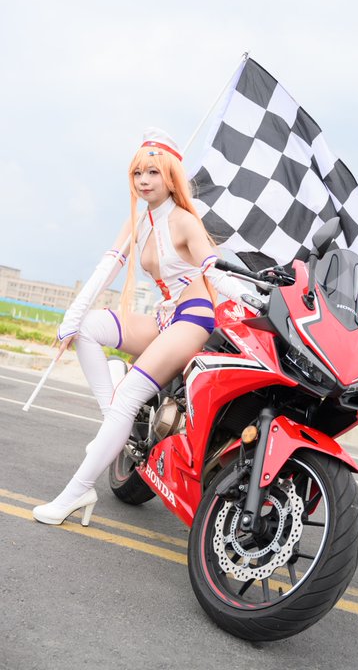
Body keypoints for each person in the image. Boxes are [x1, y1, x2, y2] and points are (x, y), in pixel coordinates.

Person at [33, 127, 253, 526]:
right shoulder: (138, 221)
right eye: (137, 173)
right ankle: (112, 429)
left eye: (152, 172)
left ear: (170, 177)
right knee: (89, 328)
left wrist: (253, 298)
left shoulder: (184, 221)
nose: (144, 180)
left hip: (194, 317)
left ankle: (78, 491)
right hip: (163, 319)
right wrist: (70, 320)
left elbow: (215, 273)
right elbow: (106, 268)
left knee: (129, 395)